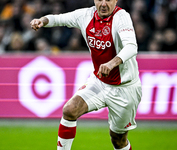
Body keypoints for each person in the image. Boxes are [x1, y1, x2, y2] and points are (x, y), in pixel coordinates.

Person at [30, 0, 142, 150]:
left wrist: (112, 63)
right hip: (99, 82)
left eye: (108, 0)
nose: (103, 4)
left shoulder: (122, 17)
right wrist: (41, 21)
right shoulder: (85, 15)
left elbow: (131, 47)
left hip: (125, 89)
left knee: (118, 140)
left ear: (115, 0)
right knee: (70, 110)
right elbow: (58, 18)